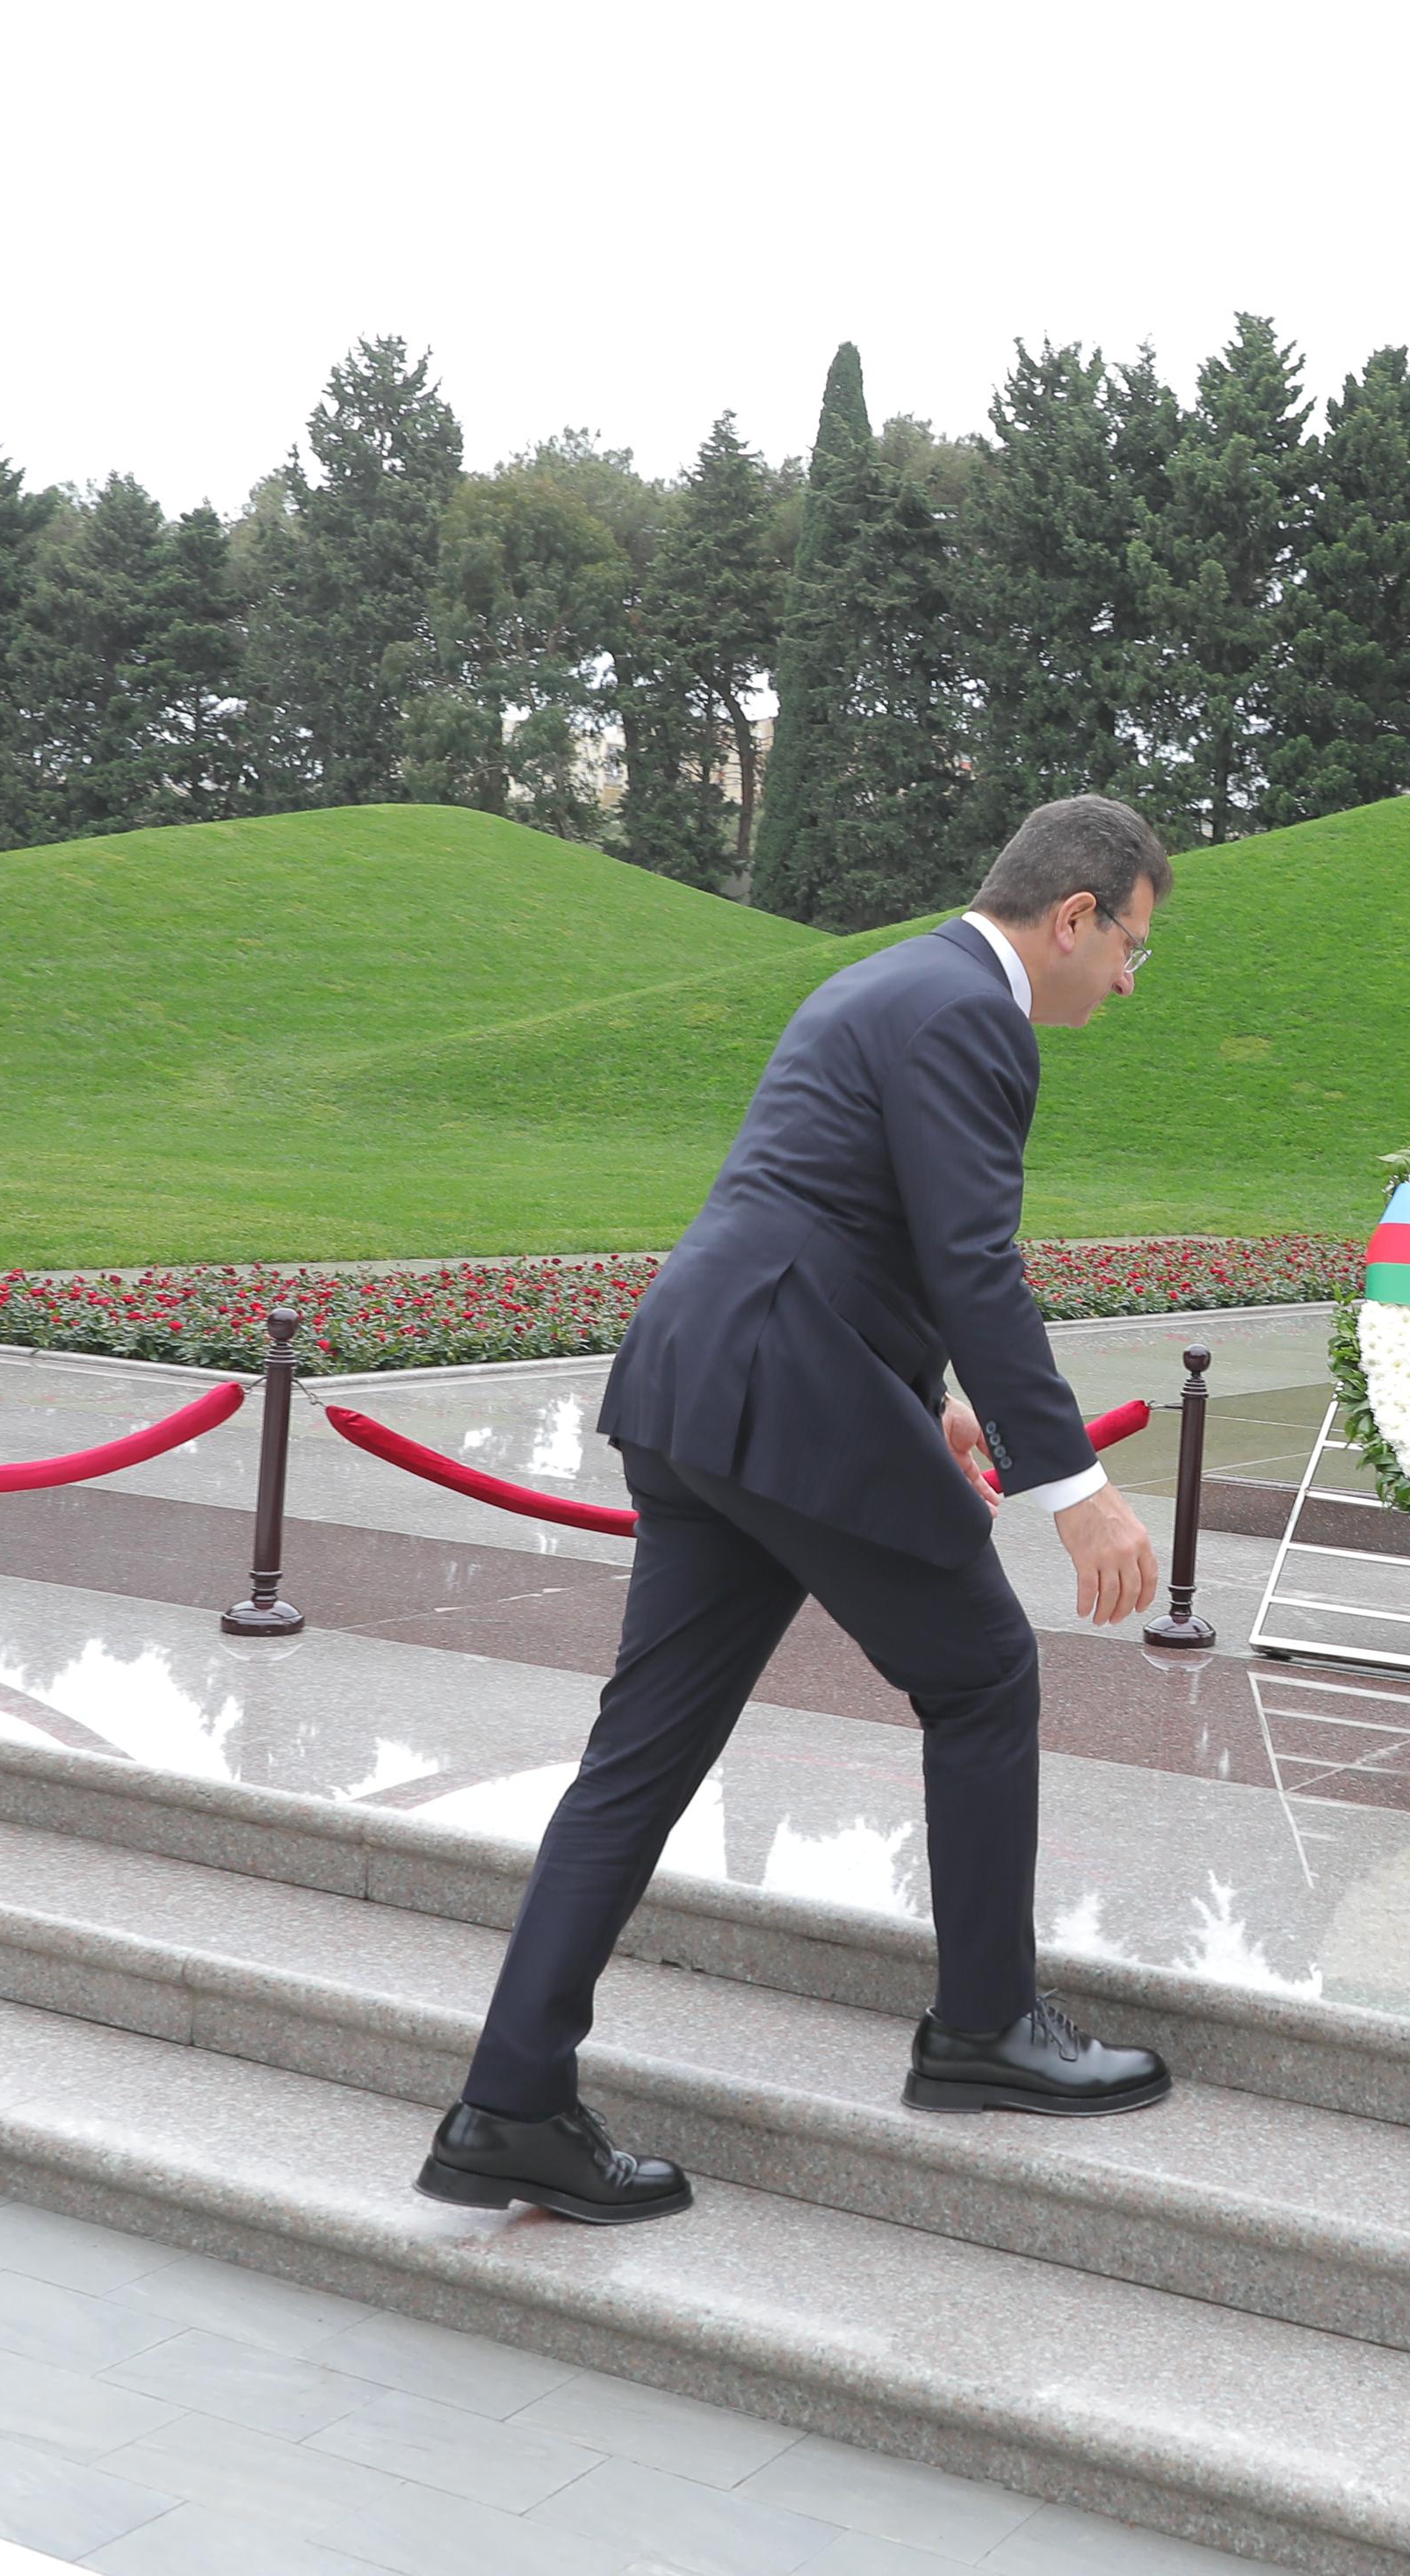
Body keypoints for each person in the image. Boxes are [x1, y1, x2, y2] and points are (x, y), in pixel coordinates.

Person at [417, 795, 1181, 2225]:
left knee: (637, 1757)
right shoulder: (975, 1015)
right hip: (790, 1397)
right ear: (1074, 916)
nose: (1131, 981)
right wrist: (1074, 1486)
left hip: (704, 1385)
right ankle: (983, 2025)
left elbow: (839, 1216)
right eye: (1134, 946)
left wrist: (933, 1396)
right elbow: (973, 1261)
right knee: (985, 1668)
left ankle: (507, 2103)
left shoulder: (891, 978)